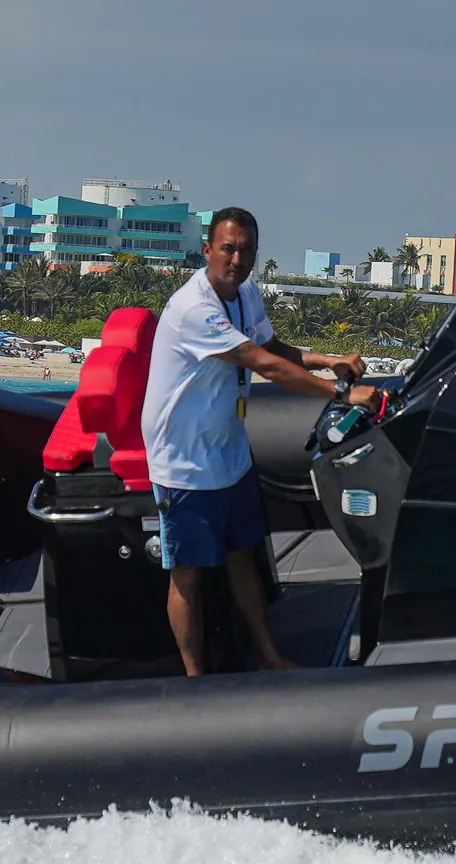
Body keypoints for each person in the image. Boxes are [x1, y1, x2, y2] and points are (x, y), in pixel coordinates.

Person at [138, 205, 377, 673]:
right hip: (184, 458)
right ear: (207, 250)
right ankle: (195, 681)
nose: (236, 259)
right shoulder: (194, 307)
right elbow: (262, 366)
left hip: (227, 447)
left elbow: (271, 347)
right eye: (227, 249)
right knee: (186, 575)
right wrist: (343, 394)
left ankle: (269, 656)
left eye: (245, 250)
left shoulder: (245, 292)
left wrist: (328, 360)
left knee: (241, 557)